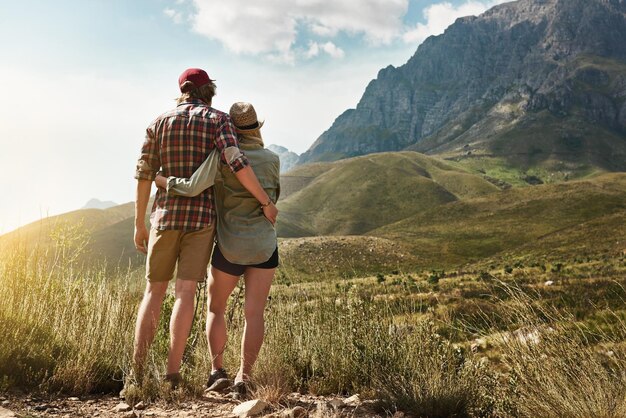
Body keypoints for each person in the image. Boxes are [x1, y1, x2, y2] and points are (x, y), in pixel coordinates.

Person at [133, 69, 278, 388]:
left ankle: (137, 373)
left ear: (181, 91)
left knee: (153, 293)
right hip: (201, 222)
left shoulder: (158, 123)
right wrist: (266, 202)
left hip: (164, 218)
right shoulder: (218, 121)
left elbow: (144, 173)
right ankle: (173, 374)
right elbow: (236, 161)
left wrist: (139, 222)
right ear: (209, 91)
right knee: (185, 295)